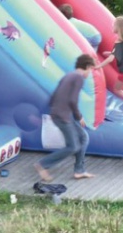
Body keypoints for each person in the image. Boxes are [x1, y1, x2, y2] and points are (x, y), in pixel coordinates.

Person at [35, 54, 97, 182]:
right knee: (73, 147)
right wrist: (79, 117)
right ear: (87, 66)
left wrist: (52, 111)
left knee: (83, 137)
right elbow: (73, 100)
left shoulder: (68, 76)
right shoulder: (79, 78)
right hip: (63, 116)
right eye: (91, 69)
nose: (90, 73)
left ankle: (79, 170)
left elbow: (54, 95)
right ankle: (42, 164)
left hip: (60, 114)